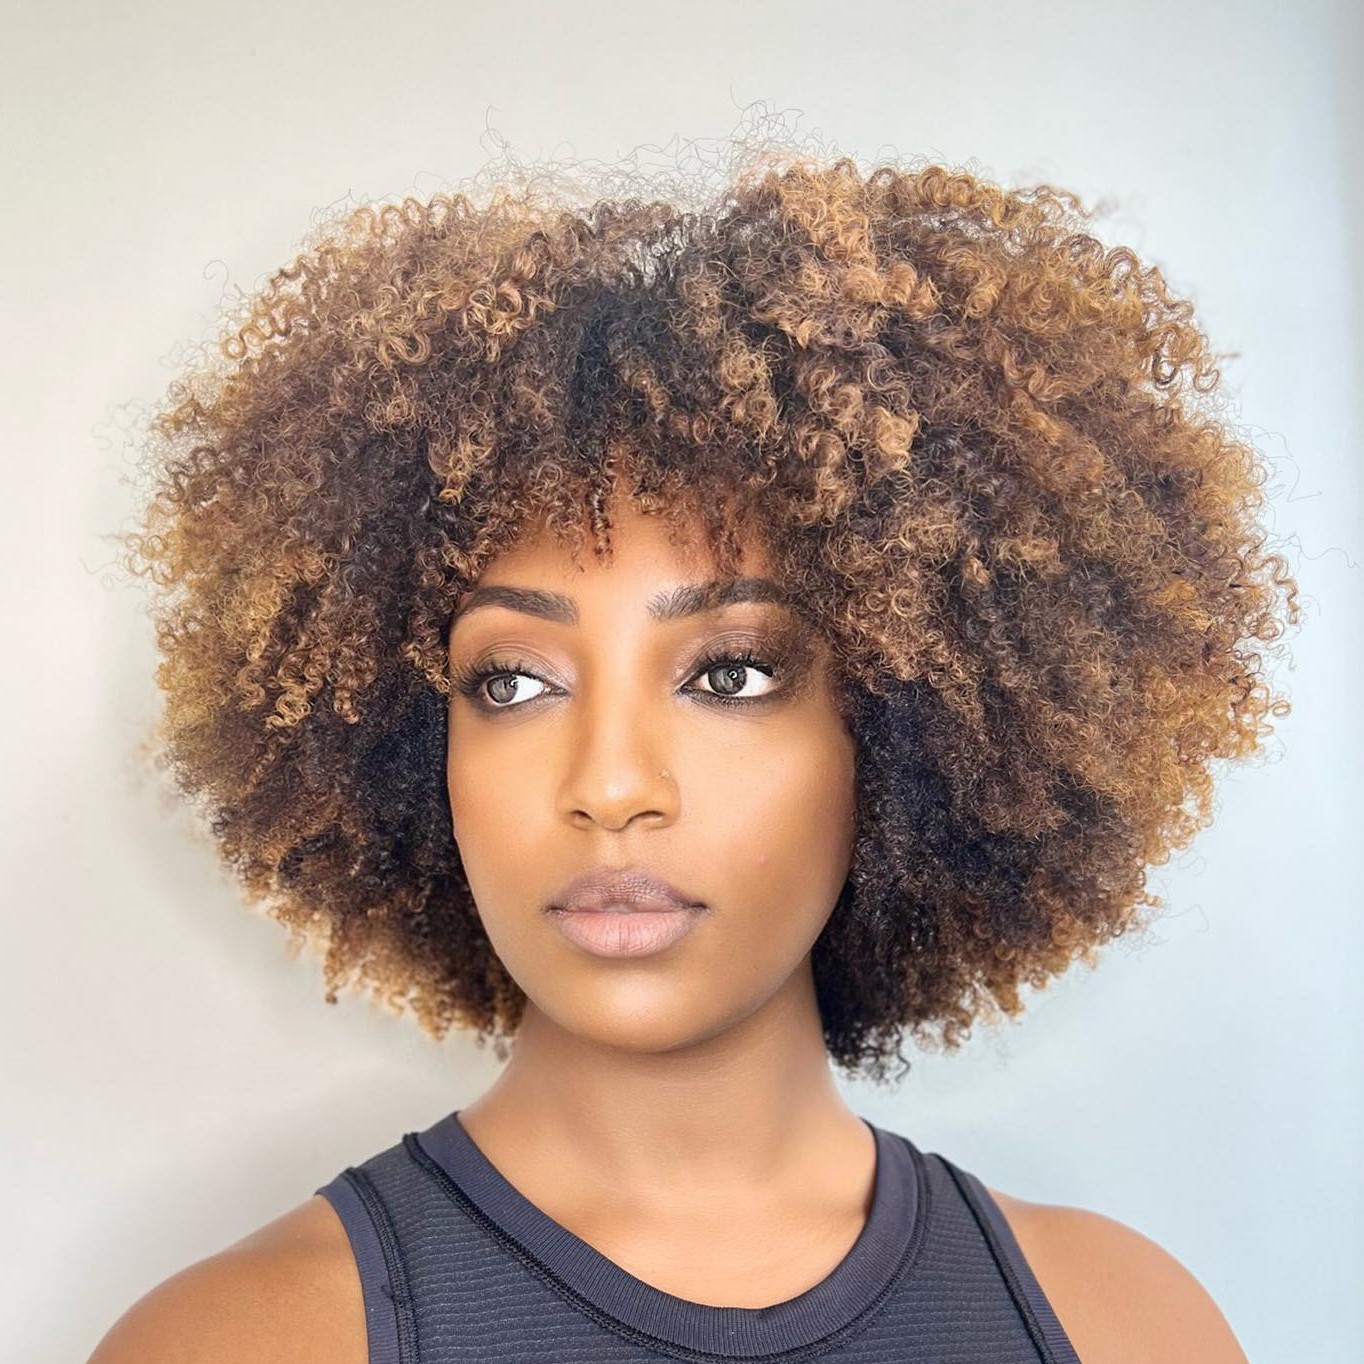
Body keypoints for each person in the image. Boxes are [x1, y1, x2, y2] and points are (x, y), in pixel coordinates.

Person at [91, 147, 1294, 1362]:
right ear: (405, 752)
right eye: (511, 682)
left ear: (900, 731)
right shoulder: (237, 1339)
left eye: (729, 674)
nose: (610, 786)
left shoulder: (1121, 1323)